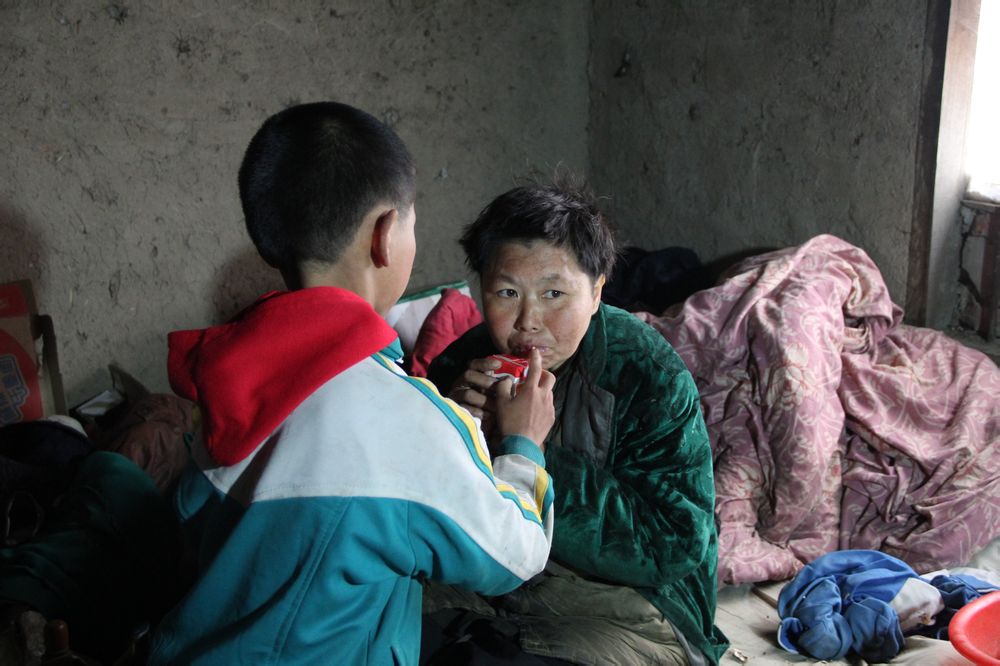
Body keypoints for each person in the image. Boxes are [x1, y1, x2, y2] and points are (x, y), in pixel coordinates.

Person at [147, 102, 557, 665]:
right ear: (385, 235)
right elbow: (515, 555)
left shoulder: (224, 380)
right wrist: (523, 444)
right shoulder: (404, 420)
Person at [422, 182, 730, 665]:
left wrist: (527, 449)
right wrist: (452, 429)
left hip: (630, 610)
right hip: (495, 584)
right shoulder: (465, 364)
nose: (528, 321)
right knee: (381, 610)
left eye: (554, 293)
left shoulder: (646, 373)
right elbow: (422, 514)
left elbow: (672, 545)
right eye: (507, 292)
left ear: (596, 292)